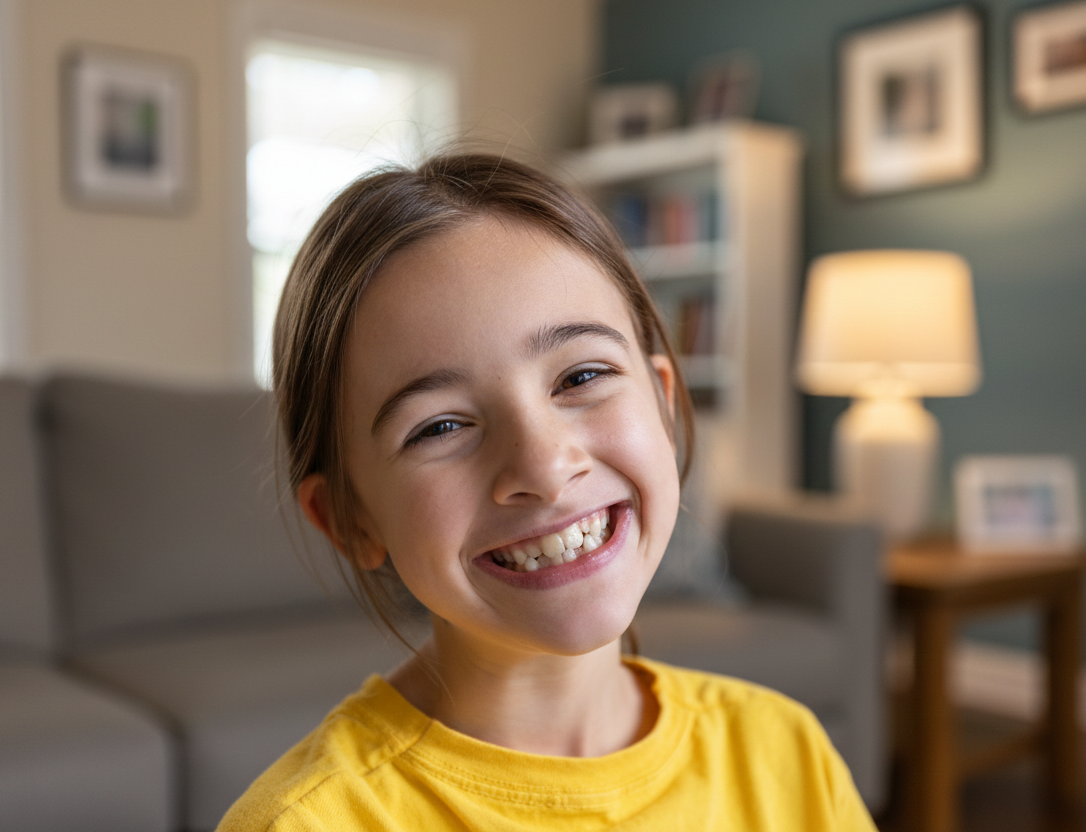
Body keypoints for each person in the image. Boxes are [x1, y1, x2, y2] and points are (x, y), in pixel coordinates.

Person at [217, 152, 876, 831]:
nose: (543, 465)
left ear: (663, 402)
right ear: (350, 520)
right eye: (440, 425)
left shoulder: (785, 754)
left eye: (581, 377)